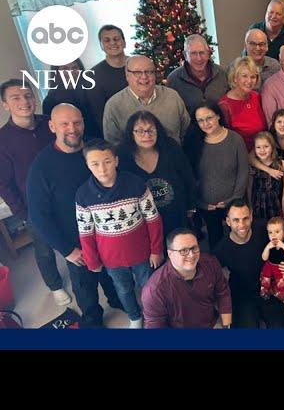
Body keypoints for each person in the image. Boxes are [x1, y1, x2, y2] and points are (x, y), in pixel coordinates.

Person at [27, 104, 122, 327]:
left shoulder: (97, 150)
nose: (72, 128)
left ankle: (118, 300)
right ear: (52, 126)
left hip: (108, 233)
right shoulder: (41, 166)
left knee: (113, 276)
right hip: (75, 242)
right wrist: (67, 250)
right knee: (85, 287)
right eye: (64, 124)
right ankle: (93, 320)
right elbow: (39, 216)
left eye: (77, 122)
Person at [76, 139, 164, 328]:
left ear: (116, 160)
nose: (102, 169)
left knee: (148, 286)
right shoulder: (83, 195)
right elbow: (85, 232)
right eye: (95, 164)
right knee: (123, 289)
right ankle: (135, 316)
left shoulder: (135, 184)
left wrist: (157, 250)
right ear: (87, 165)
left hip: (142, 253)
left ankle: (153, 314)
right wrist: (92, 260)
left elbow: (153, 219)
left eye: (107, 161)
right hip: (111, 259)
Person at [0, 79, 70, 306]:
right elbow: (4, 183)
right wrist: (22, 212)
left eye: (28, 95)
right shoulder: (2, 140)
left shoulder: (50, 124)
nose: (24, 101)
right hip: (34, 209)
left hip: (65, 198)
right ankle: (55, 286)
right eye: (15, 98)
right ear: (5, 105)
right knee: (44, 250)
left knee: (72, 240)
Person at [117, 111, 197, 238]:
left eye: (151, 130)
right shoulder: (122, 155)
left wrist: (191, 207)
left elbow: (187, 177)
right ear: (131, 133)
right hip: (143, 220)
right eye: (140, 131)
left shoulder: (170, 146)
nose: (147, 135)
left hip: (176, 214)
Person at [213, 199, 284, 328]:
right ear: (228, 222)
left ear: (251, 217)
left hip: (269, 287)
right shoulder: (221, 248)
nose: (242, 224)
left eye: (245, 218)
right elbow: (211, 275)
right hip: (242, 293)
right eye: (236, 220)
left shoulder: (264, 228)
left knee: (281, 326)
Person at [184, 102, 249, 250]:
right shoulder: (193, 143)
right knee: (215, 242)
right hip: (207, 206)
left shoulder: (235, 139)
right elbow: (190, 178)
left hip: (233, 204)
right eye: (200, 120)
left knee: (239, 239)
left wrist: (233, 199)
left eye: (209, 118)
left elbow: (243, 171)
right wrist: (200, 203)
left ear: (218, 116)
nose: (206, 123)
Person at [142, 228, 232, 328]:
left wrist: (226, 325)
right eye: (183, 251)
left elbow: (222, 292)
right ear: (170, 253)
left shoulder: (210, 263)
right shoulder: (154, 291)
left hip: (211, 323)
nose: (191, 255)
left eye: (194, 248)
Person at [103, 55, 190, 145]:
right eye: (137, 72)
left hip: (174, 157)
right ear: (127, 76)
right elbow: (113, 145)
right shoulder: (114, 105)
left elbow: (186, 131)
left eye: (149, 72)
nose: (144, 77)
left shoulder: (172, 97)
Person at [166, 34, 229, 116]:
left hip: (219, 127)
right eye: (193, 53)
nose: (199, 58)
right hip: (189, 128)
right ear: (185, 55)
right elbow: (173, 113)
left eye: (202, 53)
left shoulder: (223, 74)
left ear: (208, 53)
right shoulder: (174, 79)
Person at [218, 56, 267, 151]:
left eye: (253, 77)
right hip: (241, 156)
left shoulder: (256, 97)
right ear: (235, 78)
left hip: (262, 152)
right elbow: (226, 143)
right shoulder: (224, 105)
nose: (249, 81)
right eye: (244, 76)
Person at [43, 58, 101, 138]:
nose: (71, 72)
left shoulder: (92, 90)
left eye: (74, 68)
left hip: (97, 140)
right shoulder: (50, 100)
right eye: (65, 69)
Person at [89, 24, 129, 137]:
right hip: (117, 135)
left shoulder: (139, 66)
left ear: (124, 42)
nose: (112, 43)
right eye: (107, 40)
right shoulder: (93, 76)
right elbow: (99, 115)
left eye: (116, 39)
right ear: (101, 46)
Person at [248, 132, 284, 220]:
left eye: (266, 146)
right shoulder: (252, 167)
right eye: (258, 147)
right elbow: (249, 188)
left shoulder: (281, 165)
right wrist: (250, 208)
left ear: (272, 147)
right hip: (257, 206)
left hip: (276, 205)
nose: (262, 150)